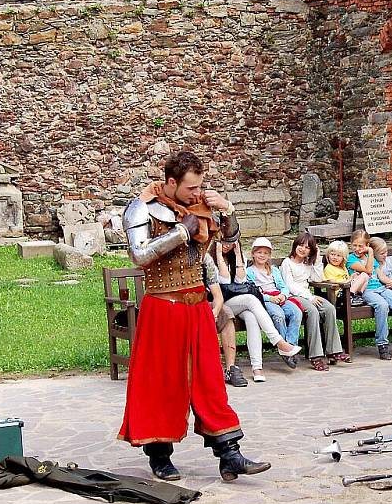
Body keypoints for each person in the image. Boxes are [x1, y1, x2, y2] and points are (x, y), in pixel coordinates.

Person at [119, 150, 270, 482]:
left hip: (197, 305)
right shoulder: (141, 207)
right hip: (162, 307)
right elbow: (139, 255)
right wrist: (181, 232)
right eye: (190, 188)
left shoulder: (199, 208)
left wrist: (227, 210)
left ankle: (230, 455)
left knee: (210, 380)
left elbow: (228, 240)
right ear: (171, 182)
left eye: (200, 186)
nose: (197, 193)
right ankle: (160, 456)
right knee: (162, 384)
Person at [212, 241, 301, 383]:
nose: (227, 245)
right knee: (251, 299)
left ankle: (257, 368)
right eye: (224, 242)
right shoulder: (211, 258)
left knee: (251, 317)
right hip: (222, 303)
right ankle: (278, 342)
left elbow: (240, 281)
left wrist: (237, 253)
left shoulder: (237, 257)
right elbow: (225, 280)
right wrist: (218, 254)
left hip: (240, 303)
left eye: (231, 242)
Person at [280, 233, 350, 371]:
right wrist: (310, 298)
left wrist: (317, 259)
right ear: (295, 245)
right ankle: (315, 355)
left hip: (307, 295)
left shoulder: (307, 263)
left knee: (329, 308)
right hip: (293, 297)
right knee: (312, 311)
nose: (303, 249)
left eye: (307, 247)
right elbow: (290, 285)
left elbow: (317, 279)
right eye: (301, 245)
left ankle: (333, 350)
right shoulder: (287, 263)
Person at [347, 230, 392, 361]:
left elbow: (381, 277)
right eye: (354, 245)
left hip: (380, 287)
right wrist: (370, 253)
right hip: (366, 291)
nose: (357, 249)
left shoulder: (372, 259)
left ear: (366, 244)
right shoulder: (351, 259)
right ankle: (382, 343)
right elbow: (368, 271)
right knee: (382, 306)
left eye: (361, 246)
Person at [245, 238, 303, 370]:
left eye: (265, 253)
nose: (262, 255)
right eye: (259, 252)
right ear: (253, 254)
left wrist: (283, 295)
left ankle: (290, 346)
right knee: (278, 314)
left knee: (296, 312)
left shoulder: (274, 270)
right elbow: (252, 292)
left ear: (269, 256)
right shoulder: (250, 272)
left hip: (278, 296)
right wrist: (269, 299)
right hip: (264, 299)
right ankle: (284, 347)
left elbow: (284, 286)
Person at [203, 253, 247, 388]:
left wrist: (215, 312)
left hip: (201, 303)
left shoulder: (205, 260)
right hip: (177, 306)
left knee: (226, 313)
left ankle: (230, 368)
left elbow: (218, 296)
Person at [323, 240, 366, 307]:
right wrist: (350, 279)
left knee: (364, 276)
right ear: (328, 255)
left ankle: (357, 296)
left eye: (338, 255)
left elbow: (346, 279)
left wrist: (352, 277)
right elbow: (334, 284)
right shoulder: (329, 268)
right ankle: (350, 297)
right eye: (332, 254)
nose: (335, 257)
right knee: (363, 276)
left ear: (343, 257)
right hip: (339, 295)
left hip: (347, 289)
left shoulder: (343, 267)